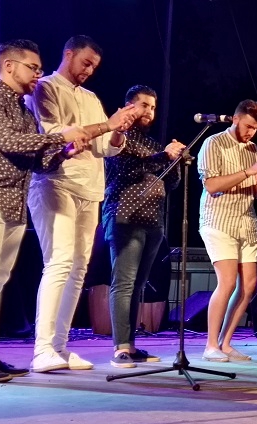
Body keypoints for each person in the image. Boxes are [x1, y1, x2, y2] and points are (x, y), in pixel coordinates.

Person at [0, 39, 89, 382]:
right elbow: (9, 141)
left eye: (41, 69)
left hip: (11, 204)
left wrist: (64, 152)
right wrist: (61, 136)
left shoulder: (25, 112)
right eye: (33, 68)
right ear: (9, 66)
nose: (39, 75)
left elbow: (36, 162)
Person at [25, 35, 137, 373]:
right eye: (85, 62)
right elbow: (55, 133)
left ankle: (59, 347)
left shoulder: (90, 97)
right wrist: (107, 124)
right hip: (55, 182)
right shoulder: (45, 87)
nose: (89, 70)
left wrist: (119, 130)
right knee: (58, 262)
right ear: (69, 53)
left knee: (78, 270)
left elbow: (105, 147)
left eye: (94, 67)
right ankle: (42, 348)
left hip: (90, 188)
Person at [102, 85, 184, 368]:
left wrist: (175, 161)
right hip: (125, 217)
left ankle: (131, 345)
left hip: (153, 221)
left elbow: (170, 182)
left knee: (138, 286)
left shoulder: (153, 143)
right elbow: (128, 170)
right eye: (145, 105)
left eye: (153, 107)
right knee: (124, 283)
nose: (150, 111)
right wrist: (163, 157)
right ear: (129, 106)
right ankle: (120, 348)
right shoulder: (119, 137)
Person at [197, 99, 257, 362]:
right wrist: (248, 171)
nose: (252, 132)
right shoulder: (214, 143)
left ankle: (226, 343)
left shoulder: (253, 149)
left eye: (256, 129)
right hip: (219, 220)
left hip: (246, 223)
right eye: (248, 126)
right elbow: (211, 185)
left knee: (249, 285)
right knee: (228, 281)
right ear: (236, 119)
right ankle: (210, 345)